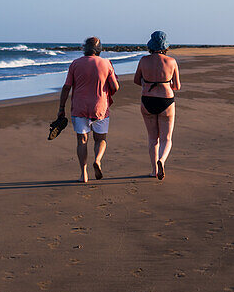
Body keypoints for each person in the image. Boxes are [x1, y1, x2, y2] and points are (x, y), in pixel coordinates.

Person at [58, 36, 120, 183]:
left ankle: (83, 174)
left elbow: (67, 87)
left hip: (79, 108)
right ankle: (97, 160)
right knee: (101, 139)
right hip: (100, 108)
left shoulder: (75, 64)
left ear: (84, 48)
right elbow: (115, 87)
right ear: (99, 50)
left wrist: (61, 108)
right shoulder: (106, 64)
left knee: (82, 140)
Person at [133, 30, 180, 180]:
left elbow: (136, 80)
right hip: (166, 100)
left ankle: (154, 170)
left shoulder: (143, 60)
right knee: (167, 138)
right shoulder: (171, 61)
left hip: (147, 100)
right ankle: (162, 160)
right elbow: (177, 86)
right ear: (165, 46)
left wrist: (147, 83)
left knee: (153, 138)